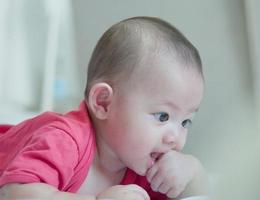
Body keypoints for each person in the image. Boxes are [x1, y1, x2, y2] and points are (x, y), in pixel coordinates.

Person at [0, 16, 207, 200]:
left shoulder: (142, 163)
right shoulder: (65, 140)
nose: (175, 139)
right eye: (162, 116)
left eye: (185, 122)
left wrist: (192, 174)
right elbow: (14, 194)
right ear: (103, 103)